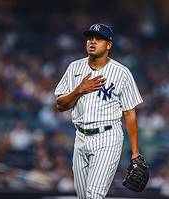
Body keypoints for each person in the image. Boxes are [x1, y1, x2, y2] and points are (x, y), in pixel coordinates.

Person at [54, 23, 144, 198]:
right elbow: (60, 105)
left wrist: (135, 152)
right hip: (80, 137)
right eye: (90, 38)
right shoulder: (74, 68)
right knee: (82, 196)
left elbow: (129, 113)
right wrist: (79, 89)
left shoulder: (121, 73)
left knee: (94, 195)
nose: (92, 42)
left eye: (98, 39)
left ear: (109, 45)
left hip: (107, 137)